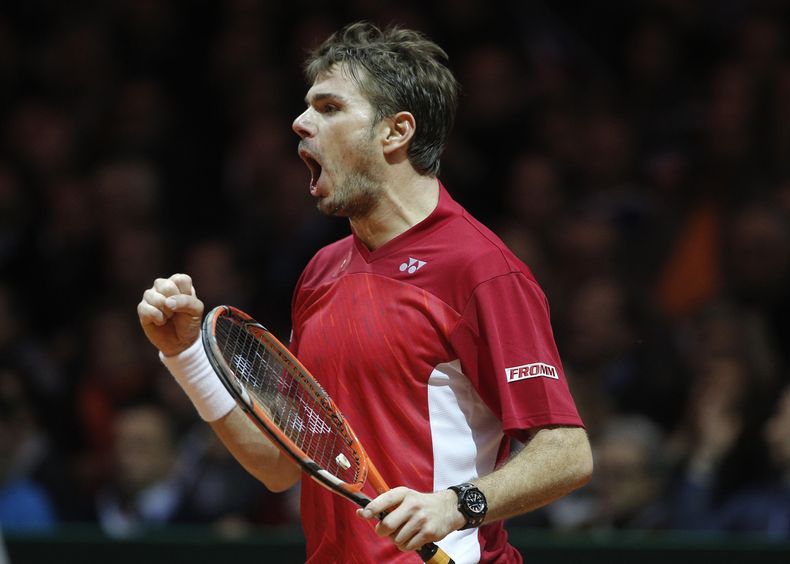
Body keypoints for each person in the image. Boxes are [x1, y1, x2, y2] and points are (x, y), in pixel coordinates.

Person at [137, 22, 592, 563]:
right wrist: (185, 355)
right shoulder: (320, 273)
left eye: (329, 108)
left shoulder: (482, 270)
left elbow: (567, 452)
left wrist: (455, 504)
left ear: (395, 132)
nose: (300, 122)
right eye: (307, 107)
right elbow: (282, 466)